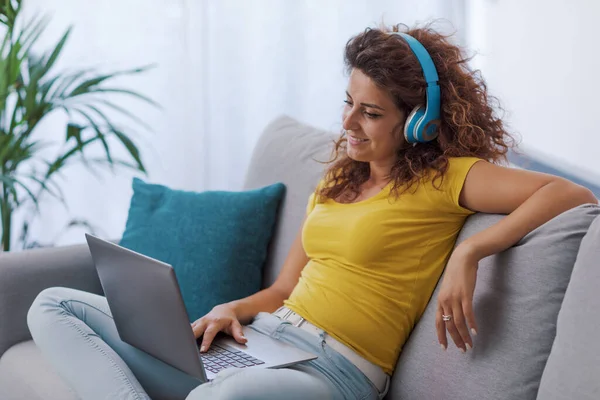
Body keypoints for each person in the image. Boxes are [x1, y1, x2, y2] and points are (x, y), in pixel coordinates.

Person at [27, 23, 597, 400]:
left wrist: (473, 248)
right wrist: (232, 307)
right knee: (54, 304)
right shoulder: (338, 178)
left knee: (213, 399)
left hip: (333, 371)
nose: (347, 124)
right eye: (348, 104)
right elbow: (283, 289)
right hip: (265, 341)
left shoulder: (446, 179)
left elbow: (572, 195)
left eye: (371, 113)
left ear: (417, 121)